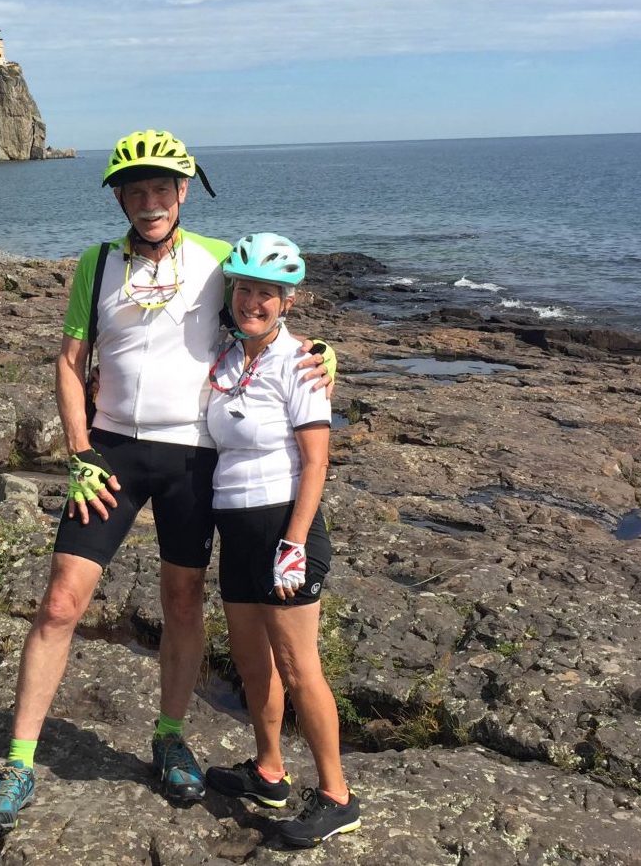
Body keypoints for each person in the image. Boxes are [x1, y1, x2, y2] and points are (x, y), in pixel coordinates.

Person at [0, 130, 335, 832]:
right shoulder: (96, 265)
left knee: (183, 600)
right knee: (60, 604)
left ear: (182, 192)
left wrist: (320, 353)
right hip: (109, 453)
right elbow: (69, 361)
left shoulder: (215, 261)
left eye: (161, 188)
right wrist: (79, 450)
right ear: (119, 199)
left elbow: (263, 313)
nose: (149, 202)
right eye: (134, 190)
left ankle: (170, 736)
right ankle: (17, 762)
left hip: (192, 457)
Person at [203, 233, 360, 848]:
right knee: (252, 663)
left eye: (267, 293)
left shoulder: (302, 363)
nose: (253, 302)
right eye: (245, 289)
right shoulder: (224, 357)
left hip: (283, 531)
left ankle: (337, 796)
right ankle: (269, 772)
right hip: (235, 527)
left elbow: (316, 462)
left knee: (299, 667)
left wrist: (293, 543)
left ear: (287, 301)